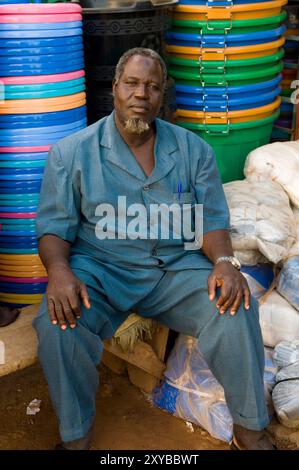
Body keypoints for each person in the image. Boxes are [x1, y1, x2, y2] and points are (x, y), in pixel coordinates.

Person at [33, 48, 275, 451]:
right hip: (101, 269)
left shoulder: (193, 150)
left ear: (162, 95)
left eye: (152, 86)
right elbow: (53, 228)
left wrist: (226, 261)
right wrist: (59, 271)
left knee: (236, 304)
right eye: (131, 83)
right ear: (114, 88)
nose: (140, 93)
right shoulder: (72, 152)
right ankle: (75, 435)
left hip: (174, 270)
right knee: (58, 324)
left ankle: (249, 428)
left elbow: (211, 221)